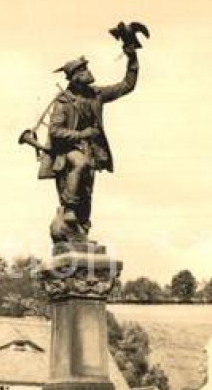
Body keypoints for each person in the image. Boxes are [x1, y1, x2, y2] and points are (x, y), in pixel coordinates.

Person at [38, 42, 140, 242]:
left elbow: (127, 85)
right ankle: (68, 211)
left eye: (86, 68)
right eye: (83, 70)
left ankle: (81, 234)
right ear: (75, 77)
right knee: (80, 164)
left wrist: (132, 58)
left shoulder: (96, 95)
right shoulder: (64, 101)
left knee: (86, 194)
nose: (88, 71)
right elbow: (56, 131)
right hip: (67, 151)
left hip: (90, 151)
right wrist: (82, 134)